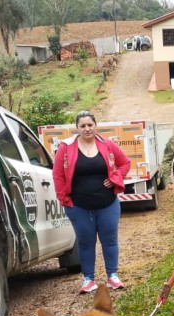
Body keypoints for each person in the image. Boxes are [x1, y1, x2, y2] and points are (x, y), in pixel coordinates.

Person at [53, 110, 131, 293]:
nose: (87, 129)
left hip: (108, 204)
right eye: (83, 126)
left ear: (96, 126)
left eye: (90, 125)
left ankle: (113, 276)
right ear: (77, 128)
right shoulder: (66, 147)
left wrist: (115, 178)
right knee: (85, 242)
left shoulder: (107, 144)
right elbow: (57, 176)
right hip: (79, 206)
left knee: (110, 240)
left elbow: (125, 163)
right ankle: (88, 279)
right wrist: (65, 200)